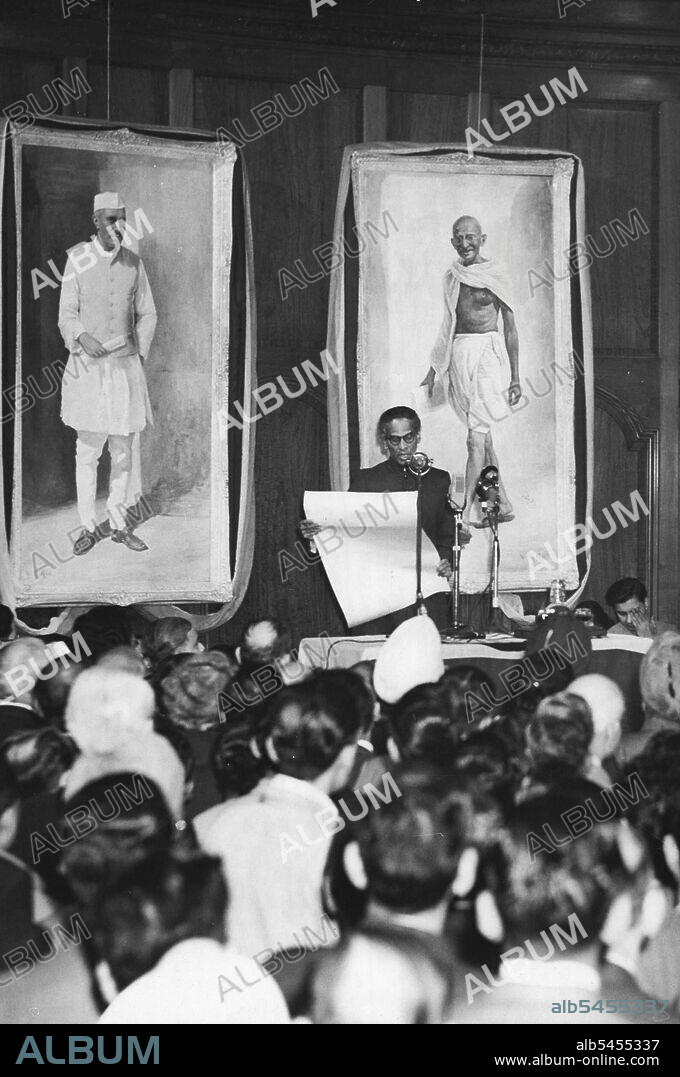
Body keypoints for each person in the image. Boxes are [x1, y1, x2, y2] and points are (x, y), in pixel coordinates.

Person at [58, 192, 157, 556]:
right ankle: (87, 527)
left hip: (124, 369)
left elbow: (148, 313)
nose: (117, 225)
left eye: (122, 218)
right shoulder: (77, 260)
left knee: (123, 452)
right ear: (96, 221)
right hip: (88, 369)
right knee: (88, 451)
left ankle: (117, 524)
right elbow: (66, 312)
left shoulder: (134, 262)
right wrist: (83, 337)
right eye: (110, 219)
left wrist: (139, 351)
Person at [301, 406, 455, 633]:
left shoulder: (440, 480)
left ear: (418, 436)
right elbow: (347, 529)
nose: (402, 447)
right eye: (394, 440)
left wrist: (445, 560)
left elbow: (446, 534)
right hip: (379, 596)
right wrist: (317, 532)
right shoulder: (367, 480)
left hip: (428, 591)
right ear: (384, 441)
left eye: (408, 438)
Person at [92, 850, 289, 1024]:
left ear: (147, 913)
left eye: (112, 927)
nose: (109, 949)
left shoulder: (135, 1008)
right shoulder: (252, 979)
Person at [421, 215, 520, 534]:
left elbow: (511, 329)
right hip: (459, 357)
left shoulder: (496, 274)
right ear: (452, 242)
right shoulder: (451, 277)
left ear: (483, 238)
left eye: (470, 237)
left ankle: (464, 510)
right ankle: (501, 502)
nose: (465, 243)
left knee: (474, 439)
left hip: (488, 357)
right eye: (459, 238)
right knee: (485, 437)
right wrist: (433, 371)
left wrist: (516, 377)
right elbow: (447, 326)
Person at [605, 577, 676, 639]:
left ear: (645, 603)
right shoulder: (612, 635)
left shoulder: (671, 632)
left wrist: (647, 637)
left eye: (634, 612)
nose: (629, 621)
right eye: (622, 614)